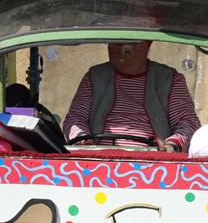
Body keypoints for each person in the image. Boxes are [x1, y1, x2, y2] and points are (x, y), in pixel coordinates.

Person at [62, 41, 199, 150]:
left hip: (152, 162)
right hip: (96, 160)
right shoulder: (94, 76)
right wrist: (85, 144)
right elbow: (75, 119)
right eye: (111, 41)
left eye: (122, 42)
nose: (112, 47)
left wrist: (173, 144)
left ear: (144, 46)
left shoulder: (170, 79)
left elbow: (187, 122)